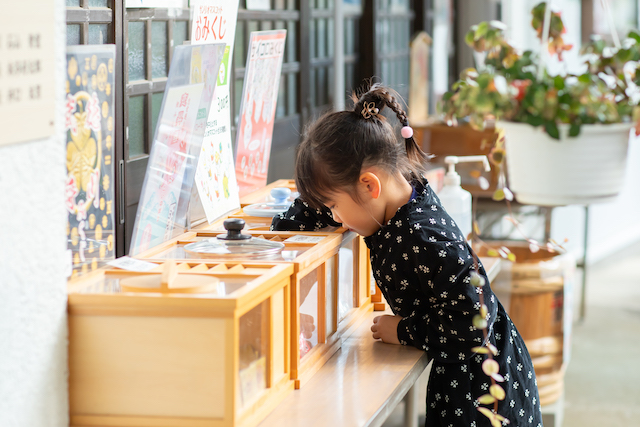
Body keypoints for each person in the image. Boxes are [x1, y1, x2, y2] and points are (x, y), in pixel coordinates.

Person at [271, 81, 543, 427]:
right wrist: (294, 218)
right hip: (464, 377)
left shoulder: (423, 237)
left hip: (483, 395)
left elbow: (475, 325)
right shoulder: (397, 195)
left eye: (334, 206)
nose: (335, 218)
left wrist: (402, 330)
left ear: (370, 185)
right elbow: (335, 205)